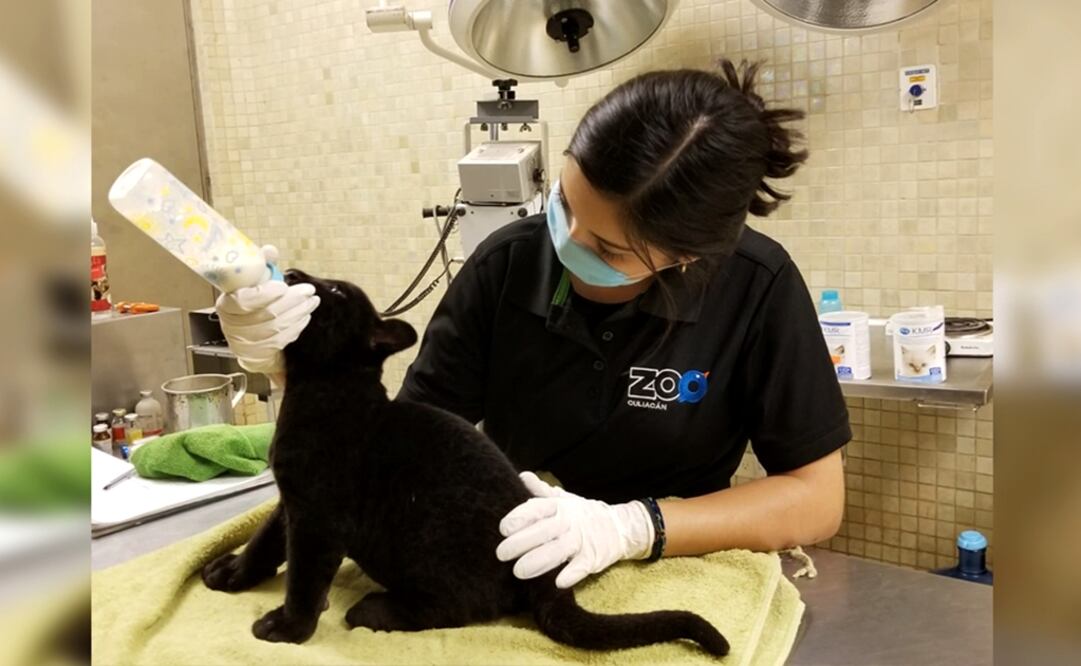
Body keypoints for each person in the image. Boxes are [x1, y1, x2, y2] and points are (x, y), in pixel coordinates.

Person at [216, 60, 849, 591]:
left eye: (607, 249)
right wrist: (283, 358)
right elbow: (390, 444)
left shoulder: (757, 285)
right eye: (564, 205)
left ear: (685, 258)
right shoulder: (507, 264)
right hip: (503, 562)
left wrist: (632, 528)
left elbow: (817, 499)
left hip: (678, 565)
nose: (566, 245)